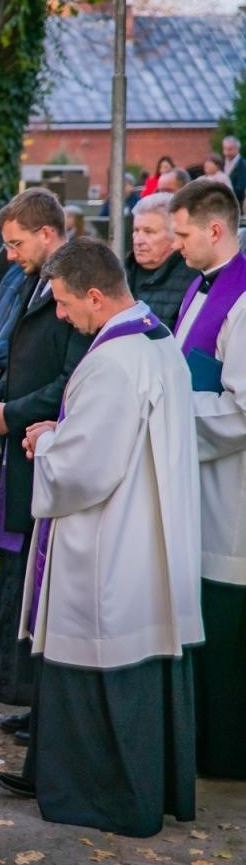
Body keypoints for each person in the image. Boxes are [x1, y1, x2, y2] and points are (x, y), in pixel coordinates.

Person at [0, 236, 201, 838]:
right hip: (147, 531)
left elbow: (87, 469)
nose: (60, 315)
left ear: (94, 294)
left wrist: (45, 442)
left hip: (111, 540)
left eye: (63, 303)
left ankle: (99, 796)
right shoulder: (152, 341)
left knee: (99, 650)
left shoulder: (112, 361)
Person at [0, 188, 88, 739]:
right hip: (20, 441)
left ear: (48, 235)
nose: (10, 254)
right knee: (19, 574)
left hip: (41, 444)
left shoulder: (67, 289)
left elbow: (70, 377)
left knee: (38, 575)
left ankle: (45, 701)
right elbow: (6, 343)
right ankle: (26, 694)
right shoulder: (25, 280)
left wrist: (13, 412)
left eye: (17, 243)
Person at [170, 178, 246, 779]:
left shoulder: (242, 299)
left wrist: (169, 417)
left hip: (230, 491)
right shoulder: (201, 287)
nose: (175, 246)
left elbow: (242, 409)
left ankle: (226, 754)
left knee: (225, 624)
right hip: (199, 481)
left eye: (181, 234)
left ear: (214, 229)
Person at [127, 193, 200, 329]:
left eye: (149, 232)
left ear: (174, 235)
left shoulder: (193, 280)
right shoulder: (119, 274)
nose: (138, 240)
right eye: (136, 230)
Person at [222, 135, 246, 203]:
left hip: (237, 205)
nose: (226, 152)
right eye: (224, 149)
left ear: (237, 149)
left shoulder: (243, 166)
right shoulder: (221, 163)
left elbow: (241, 188)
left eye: (230, 149)